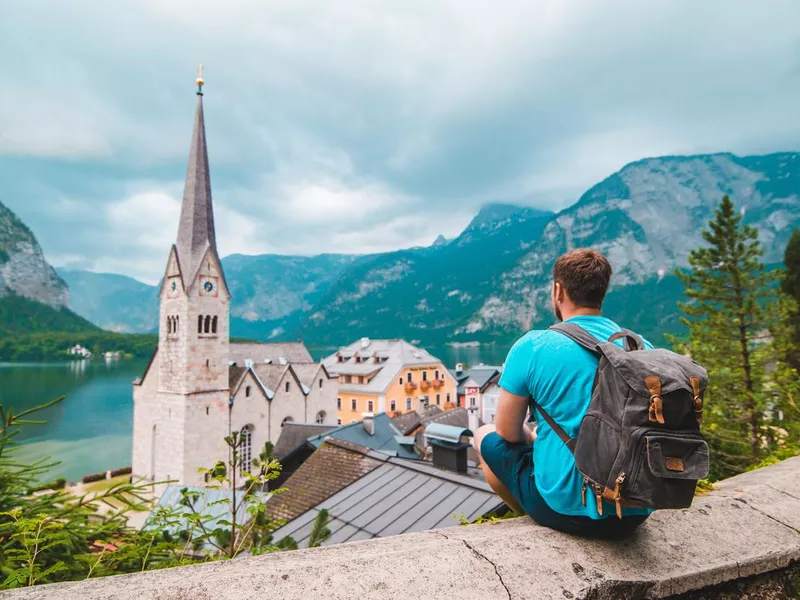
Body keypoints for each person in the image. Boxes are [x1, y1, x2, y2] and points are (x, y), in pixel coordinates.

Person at [473, 248, 653, 537]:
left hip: (565, 510)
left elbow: (506, 432)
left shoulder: (533, 346)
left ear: (558, 291)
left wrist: (533, 436)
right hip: (635, 508)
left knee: (483, 435)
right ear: (602, 293)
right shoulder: (640, 346)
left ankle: (528, 513)